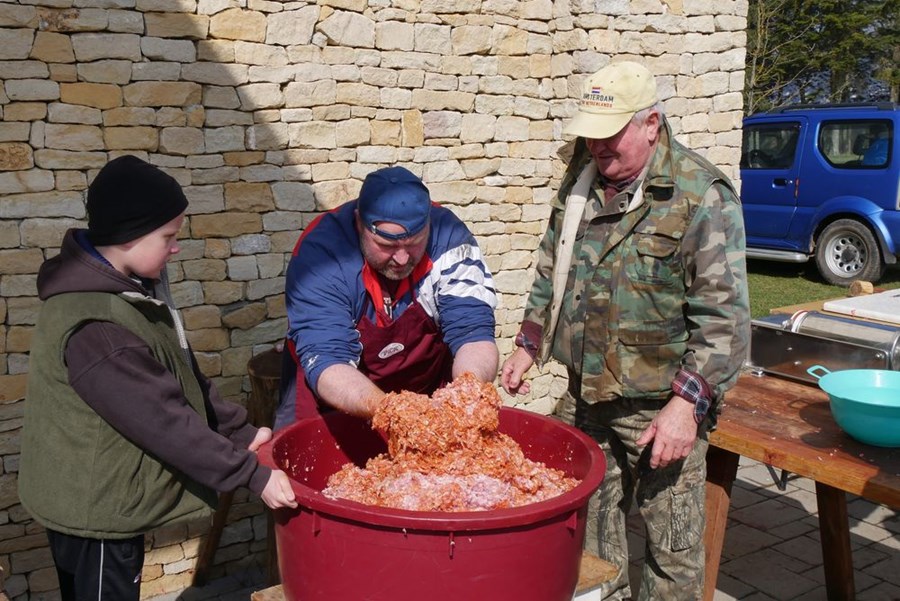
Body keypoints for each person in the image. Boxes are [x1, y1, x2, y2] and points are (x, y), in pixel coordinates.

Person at [500, 62, 750, 600]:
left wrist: (686, 407)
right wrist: (529, 342)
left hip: (659, 406)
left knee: (672, 551)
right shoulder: (582, 181)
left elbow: (725, 321)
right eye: (590, 133)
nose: (597, 145)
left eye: (609, 133)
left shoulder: (699, 194)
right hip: (585, 395)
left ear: (651, 124)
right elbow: (552, 266)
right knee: (588, 540)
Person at [18, 155, 298, 600]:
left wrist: (240, 432)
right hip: (95, 511)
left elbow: (180, 373)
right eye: (168, 236)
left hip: (100, 493)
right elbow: (164, 420)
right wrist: (254, 476)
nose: (176, 247)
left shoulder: (129, 292)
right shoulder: (100, 327)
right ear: (130, 235)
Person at [275, 165, 498, 427]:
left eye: (414, 243)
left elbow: (473, 333)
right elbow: (329, 360)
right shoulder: (321, 256)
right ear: (359, 223)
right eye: (386, 245)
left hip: (423, 388)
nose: (402, 258)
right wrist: (395, 413)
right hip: (333, 393)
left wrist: (466, 394)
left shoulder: (450, 239)